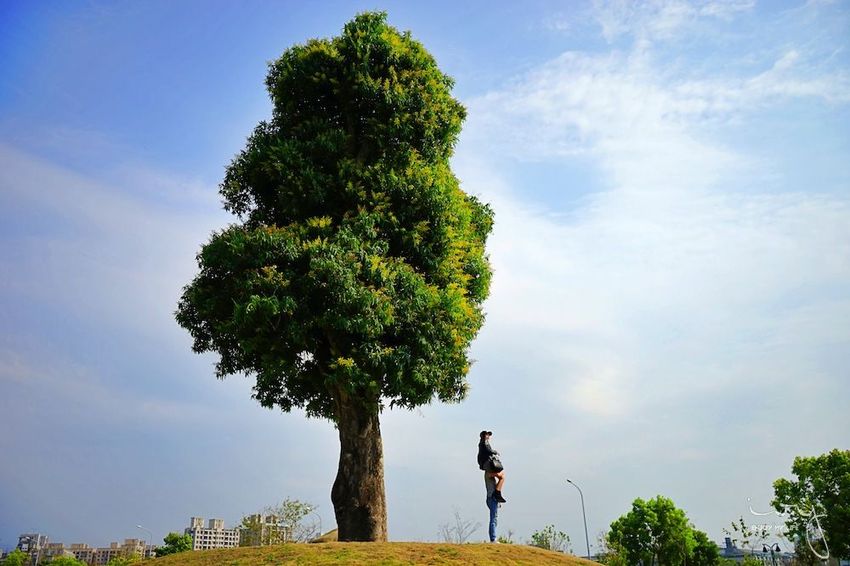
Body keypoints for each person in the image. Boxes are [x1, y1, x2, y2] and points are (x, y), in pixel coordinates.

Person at [478, 430, 506, 543]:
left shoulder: (489, 473)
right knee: (493, 519)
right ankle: (493, 539)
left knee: (495, 518)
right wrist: (494, 452)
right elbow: (487, 451)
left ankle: (498, 495)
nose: (488, 436)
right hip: (491, 497)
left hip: (493, 497)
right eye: (486, 435)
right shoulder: (488, 473)